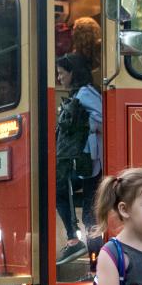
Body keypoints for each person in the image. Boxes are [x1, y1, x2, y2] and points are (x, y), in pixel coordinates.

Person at [55, 53, 103, 265]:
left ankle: (92, 260)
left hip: (92, 161)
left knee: (90, 216)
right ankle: (90, 258)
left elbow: (103, 118)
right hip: (86, 162)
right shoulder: (82, 93)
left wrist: (85, 125)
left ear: (72, 73)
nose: (59, 78)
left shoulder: (85, 93)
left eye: (61, 73)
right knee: (88, 213)